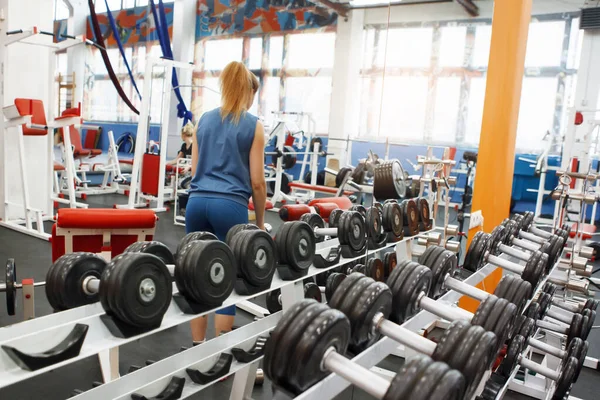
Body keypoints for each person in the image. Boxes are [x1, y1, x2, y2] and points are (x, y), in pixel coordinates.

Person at [186, 61, 266, 344]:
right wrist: (258, 224)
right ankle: (220, 355)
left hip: (195, 204)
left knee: (196, 275)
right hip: (229, 207)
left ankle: (197, 348)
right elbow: (257, 182)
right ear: (248, 92)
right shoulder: (253, 125)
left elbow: (194, 171)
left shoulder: (203, 120)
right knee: (225, 280)